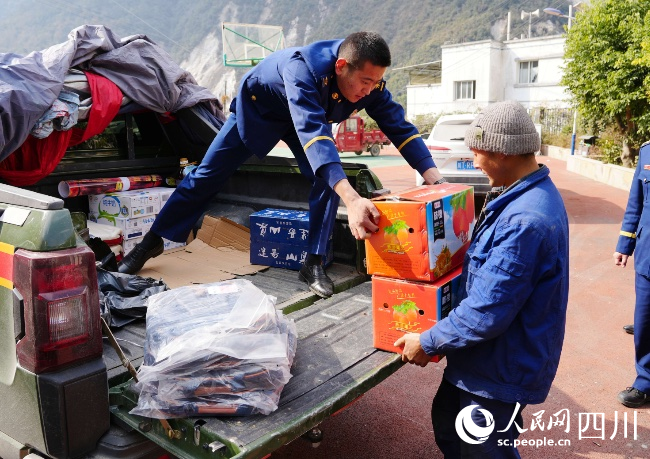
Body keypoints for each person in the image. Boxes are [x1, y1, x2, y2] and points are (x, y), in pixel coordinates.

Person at [118, 32, 445, 297]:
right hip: (260, 113)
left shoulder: (367, 80)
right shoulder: (302, 69)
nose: (369, 90)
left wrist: (433, 176)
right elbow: (314, 131)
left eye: (375, 83)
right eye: (365, 82)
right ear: (341, 65)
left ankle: (313, 261)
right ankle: (153, 241)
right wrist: (353, 199)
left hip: (304, 120)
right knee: (206, 176)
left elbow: (398, 125)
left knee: (327, 180)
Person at [394, 100, 569, 458]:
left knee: (484, 450)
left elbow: (487, 311)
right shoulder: (518, 195)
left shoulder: (525, 221)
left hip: (500, 367)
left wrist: (428, 341)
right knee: (449, 424)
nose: (473, 162)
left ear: (503, 153)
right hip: (485, 357)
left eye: (477, 153)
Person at [614, 140, 650, 407]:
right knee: (645, 319)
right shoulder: (647, 151)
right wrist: (625, 243)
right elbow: (636, 201)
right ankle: (645, 382)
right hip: (648, 254)